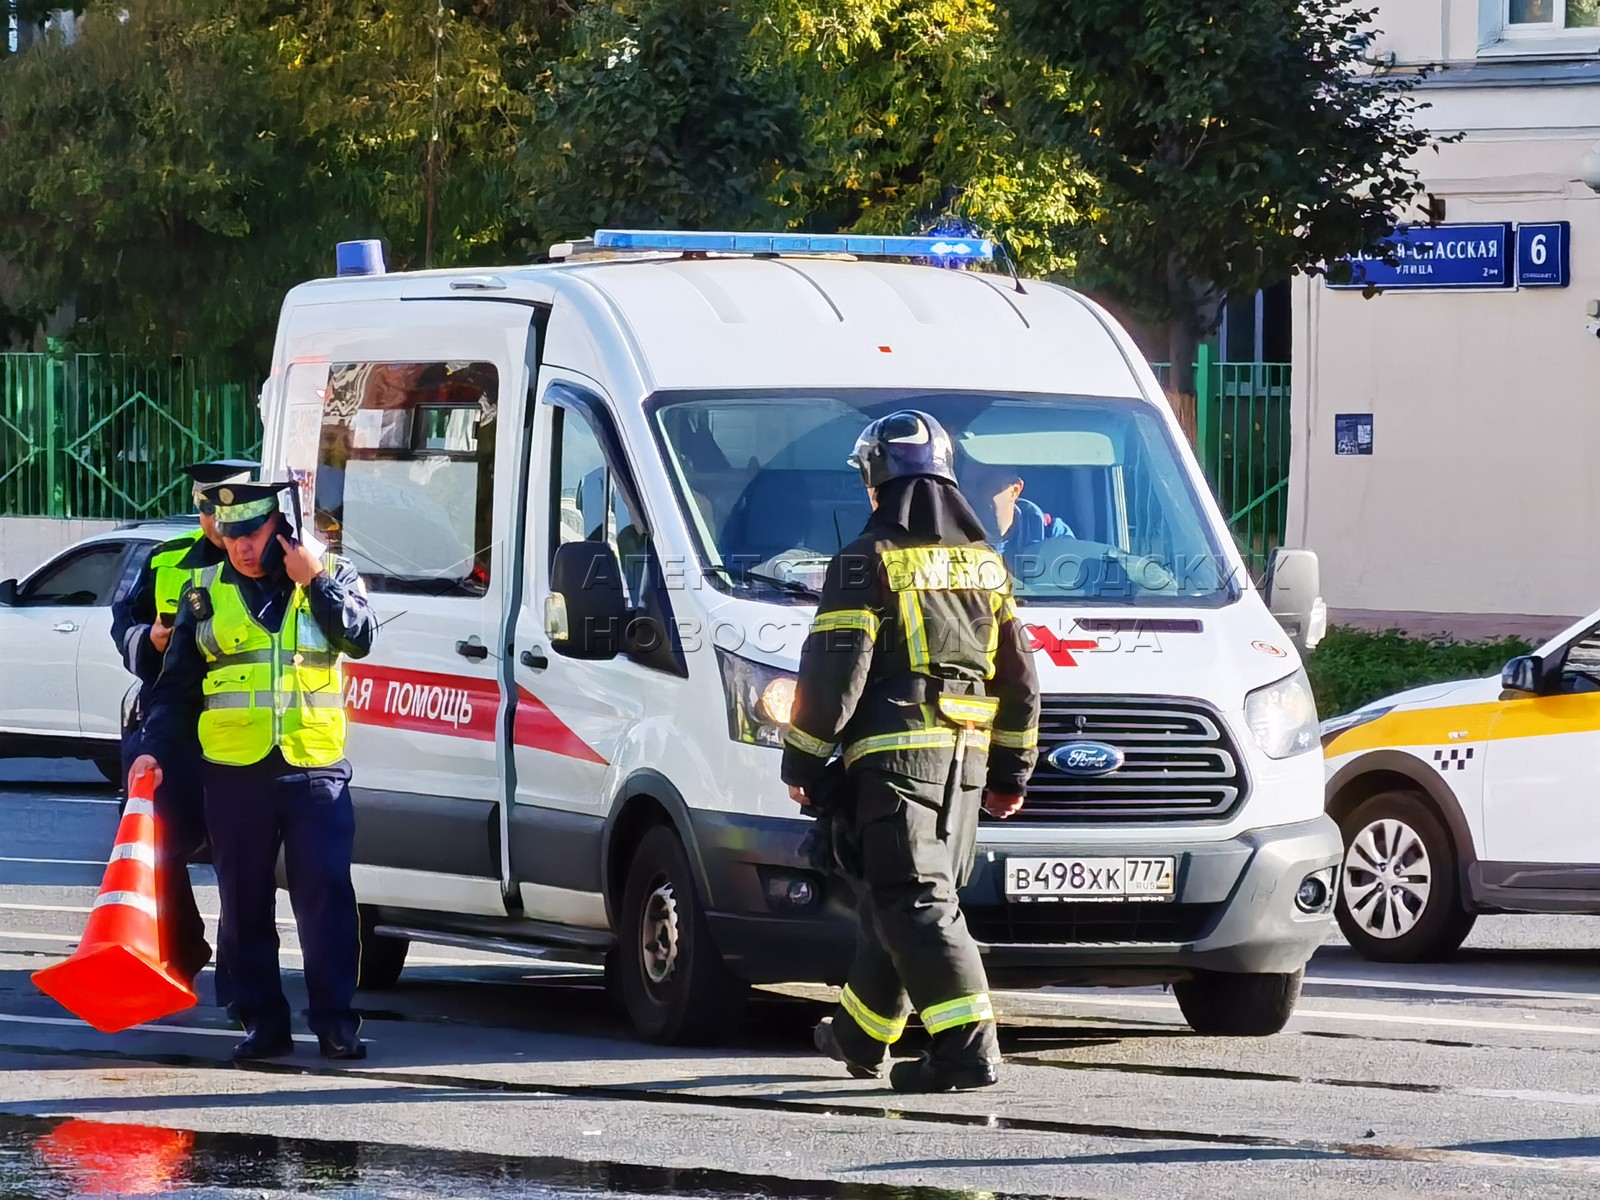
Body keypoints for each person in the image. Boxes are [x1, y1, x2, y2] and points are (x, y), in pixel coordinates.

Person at [780, 410, 1041, 1093]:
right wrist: (1011, 772)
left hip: (898, 769)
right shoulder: (987, 567)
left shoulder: (866, 561)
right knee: (893, 899)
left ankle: (968, 1052)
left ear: (877, 481)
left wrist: (802, 762)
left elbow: (835, 676)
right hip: (966, 767)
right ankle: (861, 1037)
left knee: (915, 902)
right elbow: (1019, 678)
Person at [130, 480, 377, 1062]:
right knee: (243, 903)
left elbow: (359, 638)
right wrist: (153, 750)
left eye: (253, 533)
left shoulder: (332, 572)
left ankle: (336, 1021)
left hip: (314, 767)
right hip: (235, 771)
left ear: (281, 529)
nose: (241, 546)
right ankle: (262, 1021)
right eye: (231, 534)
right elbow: (178, 689)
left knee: (326, 899)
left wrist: (313, 579)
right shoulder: (203, 593)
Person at [109, 458, 256, 1002]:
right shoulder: (164, 558)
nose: (220, 522)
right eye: (208, 509)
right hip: (170, 724)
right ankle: (180, 951)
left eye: (231, 508)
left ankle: (240, 980)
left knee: (238, 858)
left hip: (244, 726)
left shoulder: (266, 565)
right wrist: (150, 640)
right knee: (155, 845)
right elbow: (121, 623)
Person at [961, 461, 1073, 559]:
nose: (971, 494)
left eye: (983, 484)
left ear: (1015, 490)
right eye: (967, 484)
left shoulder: (1051, 536)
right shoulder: (949, 540)